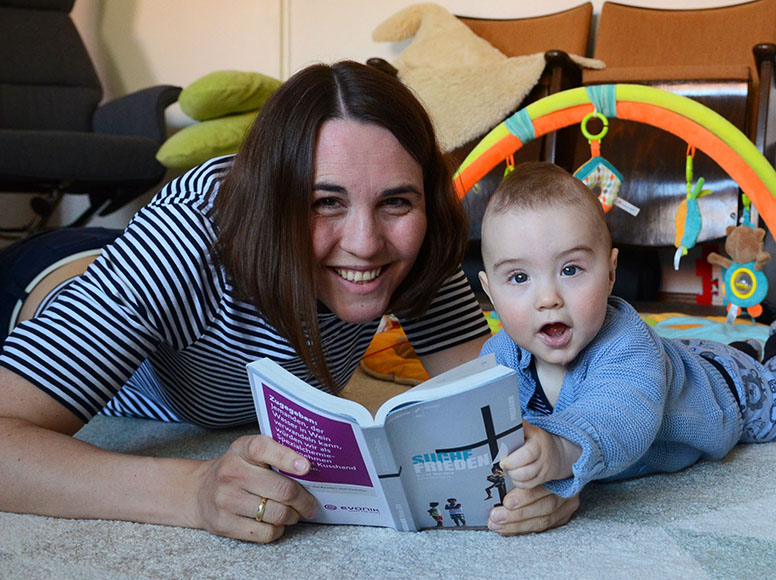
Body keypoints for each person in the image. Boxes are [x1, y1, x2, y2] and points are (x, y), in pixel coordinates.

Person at [0, 60, 506, 544]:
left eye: (395, 201)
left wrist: (549, 466)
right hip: (38, 281)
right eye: (325, 202)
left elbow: (491, 402)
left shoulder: (418, 236)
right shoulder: (186, 242)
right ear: (274, 198)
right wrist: (193, 493)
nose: (367, 243)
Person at [477, 162, 776, 534]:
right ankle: (744, 347)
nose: (547, 298)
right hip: (679, 355)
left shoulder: (627, 346)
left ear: (611, 272)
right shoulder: (499, 357)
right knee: (696, 355)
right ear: (489, 291)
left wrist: (560, 450)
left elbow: (619, 415)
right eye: (519, 277)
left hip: (726, 390)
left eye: (570, 270)